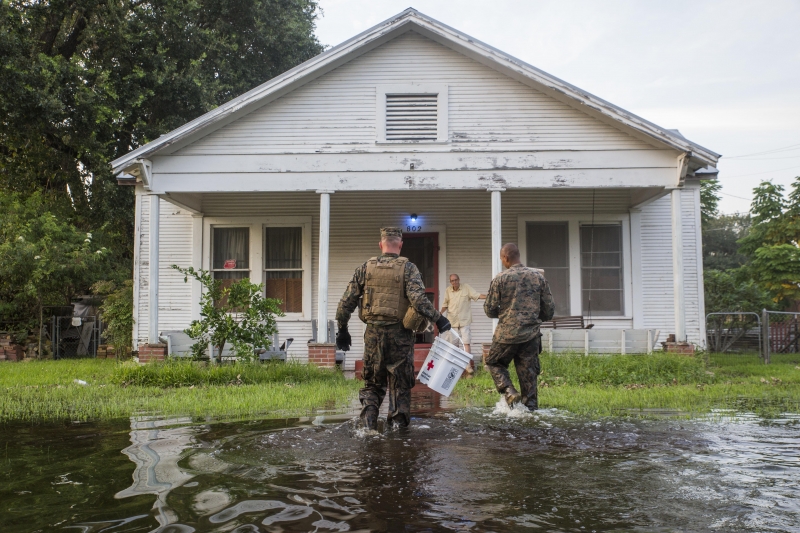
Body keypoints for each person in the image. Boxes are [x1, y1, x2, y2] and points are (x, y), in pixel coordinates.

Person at [335, 227, 451, 430]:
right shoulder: (409, 268)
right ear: (400, 244)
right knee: (400, 385)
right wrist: (438, 318)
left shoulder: (366, 268)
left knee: (372, 384)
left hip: (373, 336)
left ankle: (368, 430)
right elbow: (418, 299)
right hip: (400, 336)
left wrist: (342, 330)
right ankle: (398, 432)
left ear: (381, 244)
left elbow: (346, 302)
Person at [483, 243, 555, 410]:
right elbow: (549, 310)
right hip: (530, 337)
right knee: (529, 377)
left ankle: (508, 390)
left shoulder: (500, 279)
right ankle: (531, 414)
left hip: (506, 335)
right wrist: (533, 318)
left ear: (506, 258)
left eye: (502, 259)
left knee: (494, 362)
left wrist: (505, 315)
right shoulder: (538, 277)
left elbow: (489, 309)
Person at [440, 273, 485, 359]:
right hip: (452, 321)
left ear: (459, 279)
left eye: (456, 280)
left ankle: (467, 365)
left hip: (464, 320)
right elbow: (445, 304)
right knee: (454, 343)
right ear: (450, 282)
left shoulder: (466, 287)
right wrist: (440, 313)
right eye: (452, 281)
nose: (454, 282)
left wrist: (489, 296)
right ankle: (456, 364)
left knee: (466, 342)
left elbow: (477, 295)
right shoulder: (448, 290)